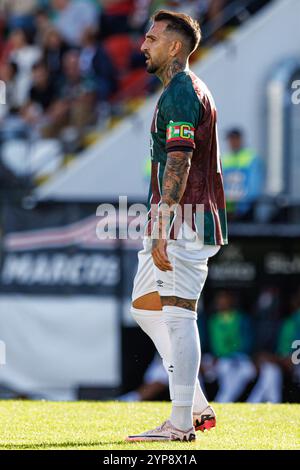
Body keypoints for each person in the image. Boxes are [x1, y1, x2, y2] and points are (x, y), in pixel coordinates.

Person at [126, 9, 227, 442]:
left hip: (186, 220)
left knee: (179, 315)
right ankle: (197, 402)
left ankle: (182, 422)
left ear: (173, 47)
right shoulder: (178, 90)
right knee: (143, 308)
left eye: (150, 39)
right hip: (174, 217)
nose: (142, 45)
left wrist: (166, 221)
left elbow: (181, 160)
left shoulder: (183, 91)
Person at [222, 128, 264, 220]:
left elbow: (254, 187)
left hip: (246, 209)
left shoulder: (252, 157)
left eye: (234, 139)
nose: (232, 142)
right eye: (230, 140)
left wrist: (240, 206)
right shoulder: (224, 158)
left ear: (240, 139)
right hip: (228, 211)